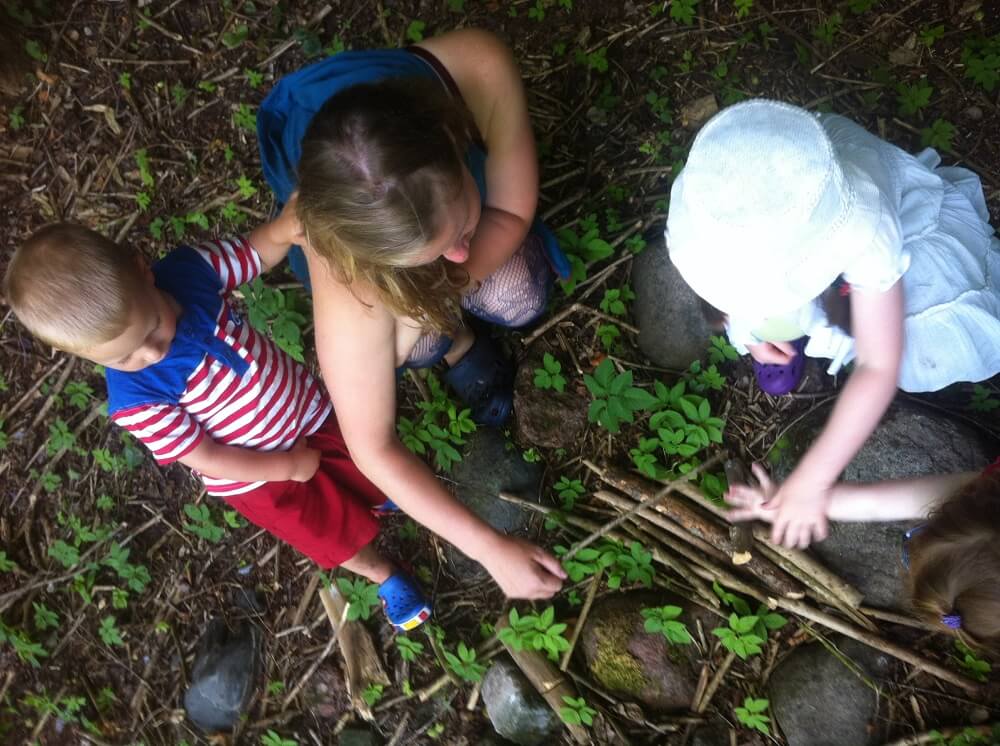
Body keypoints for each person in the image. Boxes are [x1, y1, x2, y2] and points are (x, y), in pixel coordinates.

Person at [4, 207, 433, 631]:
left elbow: (254, 252)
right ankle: (383, 574)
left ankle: (383, 495)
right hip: (261, 480)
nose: (152, 352)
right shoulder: (136, 400)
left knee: (360, 458)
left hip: (307, 412)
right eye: (123, 357)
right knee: (325, 531)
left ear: (142, 269)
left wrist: (283, 230)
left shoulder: (189, 274)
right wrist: (286, 466)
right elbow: (207, 456)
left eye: (152, 326)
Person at [255, 29, 569, 599]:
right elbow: (371, 447)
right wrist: (488, 548)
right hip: (358, 219)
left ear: (453, 140)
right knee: (411, 342)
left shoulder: (479, 67)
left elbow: (510, 212)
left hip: (401, 152)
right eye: (435, 255)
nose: (460, 257)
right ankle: (453, 341)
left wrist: (432, 295)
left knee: (517, 295)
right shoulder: (342, 263)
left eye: (462, 229)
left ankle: (443, 318)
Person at [666, 99, 1000, 549]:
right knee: (773, 315)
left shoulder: (864, 230)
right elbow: (735, 271)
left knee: (902, 339)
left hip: (899, 241)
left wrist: (812, 478)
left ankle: (825, 315)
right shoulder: (728, 196)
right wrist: (748, 332)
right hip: (810, 233)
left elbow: (879, 364)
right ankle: (789, 326)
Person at [727, 460, 1000, 652]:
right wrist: (796, 503)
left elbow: (876, 502)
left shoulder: (985, 505)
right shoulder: (984, 506)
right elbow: (873, 503)